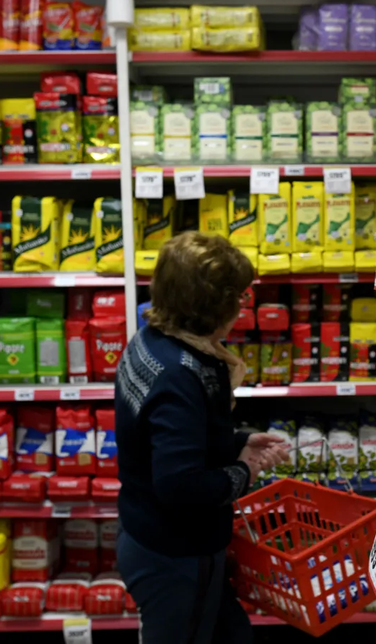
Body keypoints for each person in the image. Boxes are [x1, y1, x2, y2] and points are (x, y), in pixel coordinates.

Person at [115, 232, 289, 644]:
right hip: (175, 555)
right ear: (215, 306)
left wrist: (237, 441)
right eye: (241, 298)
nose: (243, 308)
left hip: (150, 537)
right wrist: (244, 470)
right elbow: (181, 485)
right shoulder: (182, 372)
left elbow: (171, 438)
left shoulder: (151, 340)